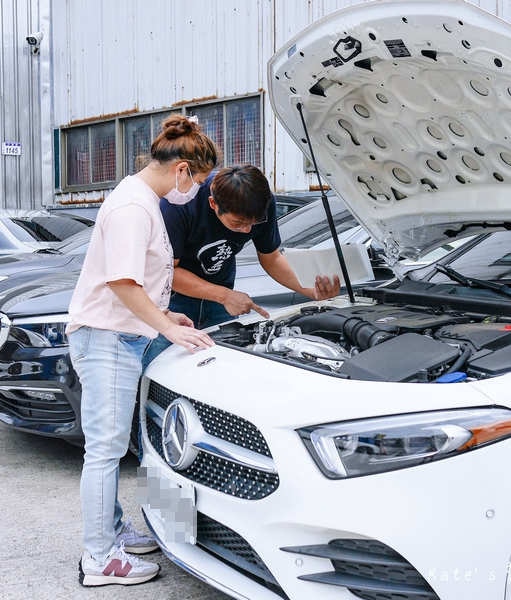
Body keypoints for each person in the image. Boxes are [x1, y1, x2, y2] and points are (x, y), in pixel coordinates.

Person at [68, 114, 217, 586]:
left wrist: (163, 316)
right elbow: (121, 282)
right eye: (199, 180)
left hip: (118, 334)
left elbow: (135, 285)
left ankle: (111, 532)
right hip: (108, 337)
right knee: (105, 450)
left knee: (109, 446)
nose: (196, 191)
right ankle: (99, 559)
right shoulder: (133, 206)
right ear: (182, 171)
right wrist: (166, 329)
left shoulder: (141, 198)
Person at [142, 164, 340, 365]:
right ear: (213, 204)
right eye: (237, 223)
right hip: (173, 302)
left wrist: (309, 290)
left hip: (220, 301)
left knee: (217, 367)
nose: (246, 231)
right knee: (159, 365)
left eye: (253, 223)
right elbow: (167, 273)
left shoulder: (262, 202)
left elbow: (271, 258)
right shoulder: (182, 202)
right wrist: (226, 296)